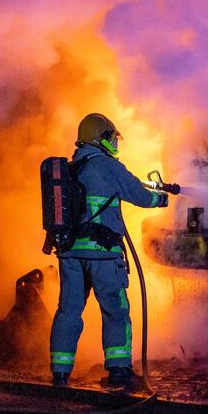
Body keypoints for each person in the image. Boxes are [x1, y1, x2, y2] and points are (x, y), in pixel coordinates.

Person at [50, 113, 169, 389]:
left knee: (68, 311)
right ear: (99, 138)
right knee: (115, 309)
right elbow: (140, 195)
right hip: (102, 254)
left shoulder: (70, 168)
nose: (115, 143)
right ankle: (119, 371)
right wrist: (161, 198)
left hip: (70, 254)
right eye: (111, 138)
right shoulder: (108, 166)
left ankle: (60, 372)